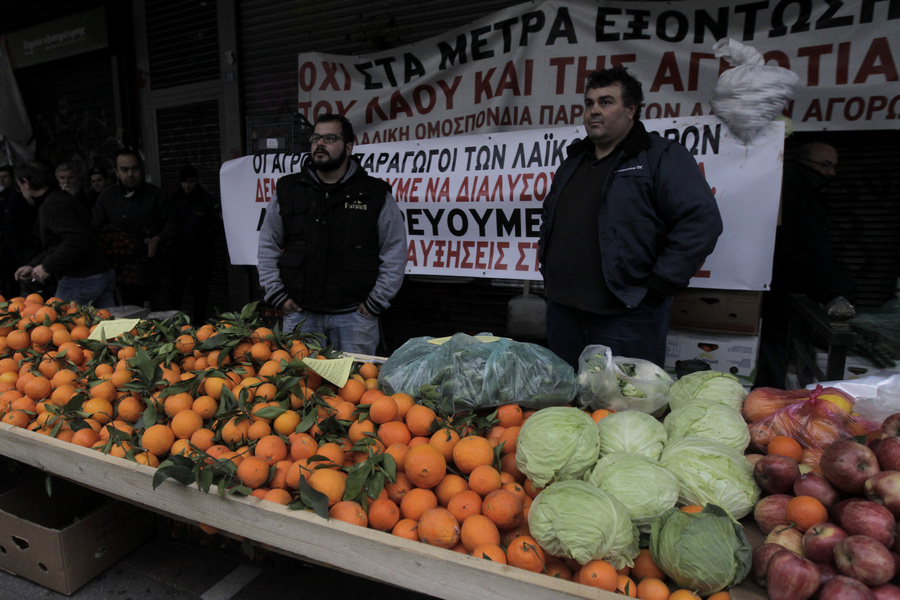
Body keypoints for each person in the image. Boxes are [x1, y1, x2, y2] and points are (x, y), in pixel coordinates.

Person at [537, 67, 723, 368]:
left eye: (606, 102)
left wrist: (659, 285)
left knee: (624, 407)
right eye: (589, 103)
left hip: (627, 317)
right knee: (565, 404)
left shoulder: (660, 156)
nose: (594, 111)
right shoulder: (574, 160)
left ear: (631, 109)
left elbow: (701, 223)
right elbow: (550, 217)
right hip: (563, 314)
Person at [257, 113, 407, 355]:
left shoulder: (374, 193)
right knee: (299, 388)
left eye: (329, 138)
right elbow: (267, 244)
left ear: (348, 147)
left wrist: (376, 301)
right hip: (300, 317)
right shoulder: (288, 189)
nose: (319, 144)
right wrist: (277, 295)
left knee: (358, 387)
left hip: (355, 319)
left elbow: (395, 250)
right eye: (315, 138)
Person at [754, 141, 855, 388]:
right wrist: (836, 289)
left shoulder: (803, 193)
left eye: (834, 166)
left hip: (782, 289)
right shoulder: (796, 197)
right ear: (803, 163)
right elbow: (807, 251)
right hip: (779, 290)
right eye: (825, 165)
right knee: (773, 352)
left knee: (778, 351)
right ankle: (771, 400)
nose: (831, 172)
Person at [13, 161, 116, 307]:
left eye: (19, 187)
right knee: (107, 324)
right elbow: (60, 243)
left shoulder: (52, 204)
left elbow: (76, 239)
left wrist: (46, 266)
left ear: (26, 183)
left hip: (81, 277)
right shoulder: (60, 198)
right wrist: (35, 265)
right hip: (98, 272)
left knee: (60, 323)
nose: (21, 193)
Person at [93, 148, 178, 310]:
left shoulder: (156, 195)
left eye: (134, 169)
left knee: (164, 317)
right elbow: (96, 227)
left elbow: (173, 224)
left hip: (156, 269)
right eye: (124, 170)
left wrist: (158, 239)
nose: (130, 174)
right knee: (130, 319)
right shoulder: (107, 197)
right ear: (117, 172)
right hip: (122, 273)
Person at [169, 164, 223, 323]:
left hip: (201, 255)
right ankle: (174, 324)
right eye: (184, 181)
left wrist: (201, 237)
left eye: (190, 181)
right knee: (175, 292)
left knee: (200, 293)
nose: (187, 185)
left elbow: (217, 226)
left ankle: (199, 325)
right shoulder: (174, 200)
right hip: (179, 255)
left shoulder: (206, 199)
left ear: (196, 181)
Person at [0, 165, 17, 297]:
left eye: (5, 177)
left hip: (13, 243)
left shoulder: (16, 195)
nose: (2, 180)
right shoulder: (2, 196)